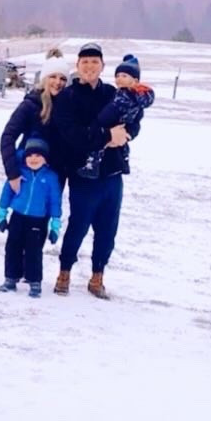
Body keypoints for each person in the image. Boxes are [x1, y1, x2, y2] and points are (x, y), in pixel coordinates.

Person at [50, 43, 133, 299]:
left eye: (94, 62)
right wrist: (108, 136)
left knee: (108, 229)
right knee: (78, 226)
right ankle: (64, 271)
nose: (89, 66)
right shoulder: (67, 98)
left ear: (103, 67)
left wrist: (127, 134)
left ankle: (98, 276)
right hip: (83, 176)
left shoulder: (113, 94)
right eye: (84, 62)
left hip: (112, 174)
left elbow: (132, 120)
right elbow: (73, 136)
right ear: (77, 66)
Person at [0, 136, 63, 297]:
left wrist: (55, 224)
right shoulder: (19, 173)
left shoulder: (51, 178)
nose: (33, 159)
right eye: (30, 155)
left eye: (38, 155)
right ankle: (11, 278)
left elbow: (55, 201)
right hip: (17, 217)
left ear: (45, 158)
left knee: (34, 251)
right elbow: (7, 192)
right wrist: (2, 215)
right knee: (12, 248)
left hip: (37, 221)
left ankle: (34, 282)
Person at [0, 54, 72, 193]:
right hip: (28, 174)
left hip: (54, 178)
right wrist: (13, 173)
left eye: (62, 78)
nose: (58, 82)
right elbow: (8, 136)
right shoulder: (30, 105)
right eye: (53, 76)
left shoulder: (68, 107)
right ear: (44, 78)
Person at [76, 55, 154, 179]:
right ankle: (124, 162)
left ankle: (92, 166)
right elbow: (138, 117)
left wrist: (99, 121)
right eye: (117, 76)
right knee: (119, 147)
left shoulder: (124, 95)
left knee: (98, 146)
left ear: (134, 80)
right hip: (121, 128)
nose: (119, 79)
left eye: (124, 76)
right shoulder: (135, 97)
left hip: (112, 124)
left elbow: (112, 110)